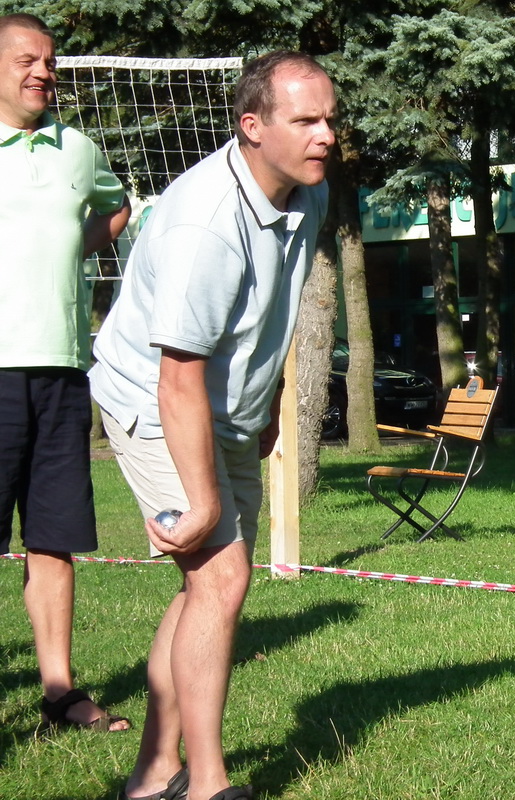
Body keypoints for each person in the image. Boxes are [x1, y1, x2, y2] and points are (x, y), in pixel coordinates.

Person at [90, 50, 337, 800]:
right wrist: (201, 502)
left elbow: (276, 308)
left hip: (225, 408)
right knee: (221, 578)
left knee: (210, 589)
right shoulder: (206, 222)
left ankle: (152, 774)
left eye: (331, 119)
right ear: (252, 126)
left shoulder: (309, 192)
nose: (327, 135)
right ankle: (207, 786)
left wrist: (263, 408)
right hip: (156, 400)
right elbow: (177, 376)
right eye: (307, 120)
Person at [0, 14, 131, 732]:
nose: (43, 72)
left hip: (60, 371)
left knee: (52, 537)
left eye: (49, 62)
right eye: (27, 59)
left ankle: (59, 693)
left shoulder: (77, 149)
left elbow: (117, 207)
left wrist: (65, 249)